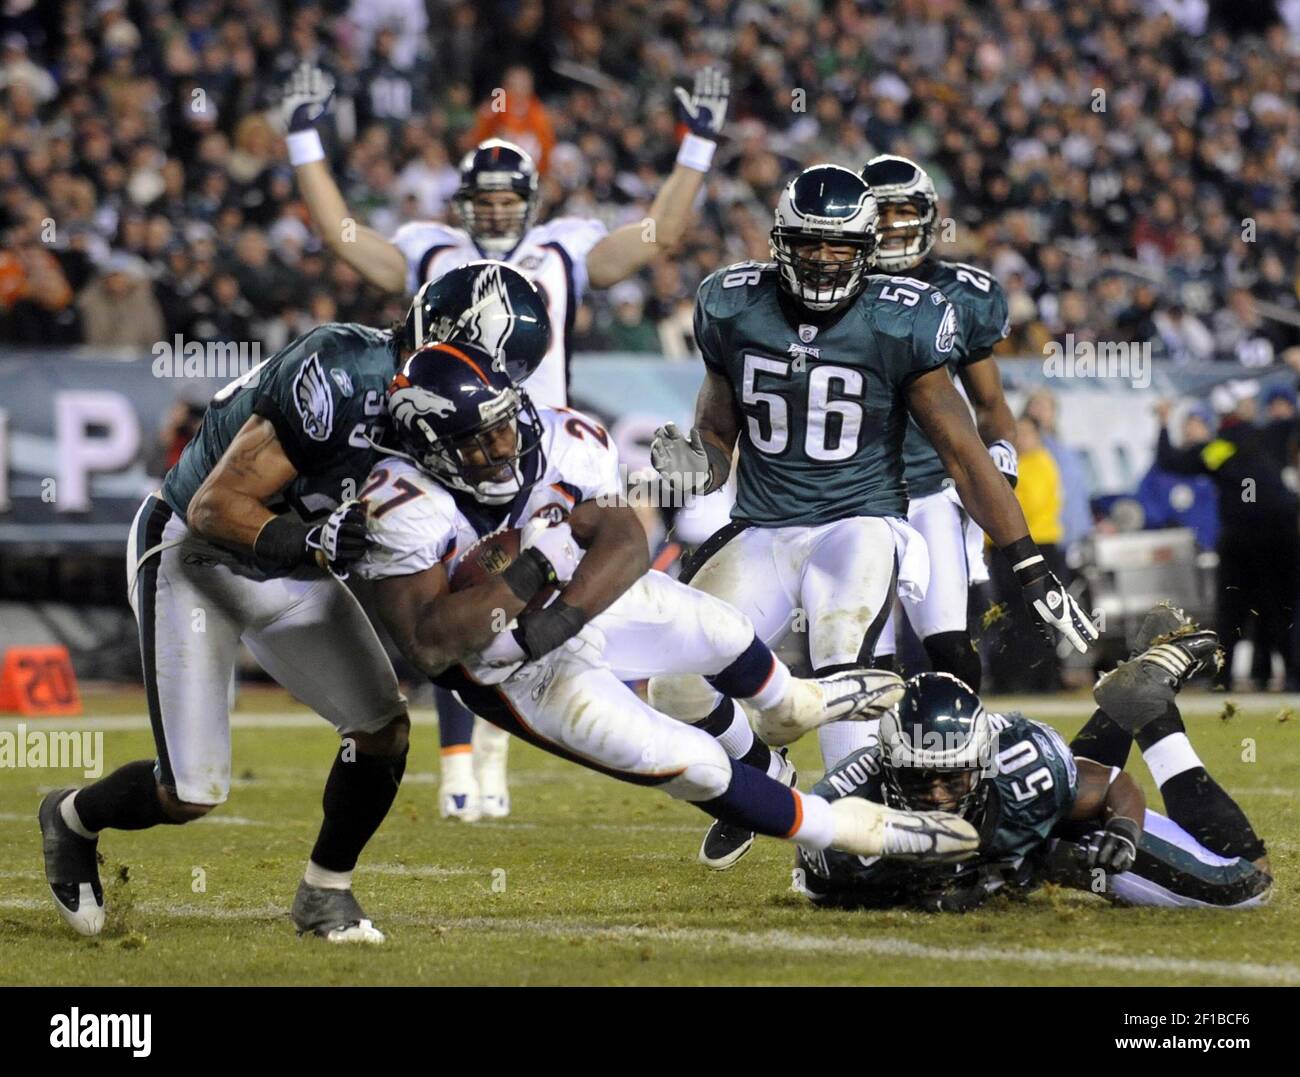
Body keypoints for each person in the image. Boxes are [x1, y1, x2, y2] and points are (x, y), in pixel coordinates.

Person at [36, 272, 546, 945]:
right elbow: (213, 507)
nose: (489, 390)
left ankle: (324, 892)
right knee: (189, 792)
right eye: (486, 365)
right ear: (445, 341)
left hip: (294, 565)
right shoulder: (342, 375)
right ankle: (72, 816)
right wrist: (307, 539)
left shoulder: (446, 421)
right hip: (196, 555)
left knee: (382, 728)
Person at [282, 61, 732, 819]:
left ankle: (495, 757)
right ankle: (460, 768)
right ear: (462, 205)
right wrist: (303, 142)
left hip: (540, 451)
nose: (493, 213)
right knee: (458, 599)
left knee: (541, 597)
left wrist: (699, 147)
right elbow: (340, 235)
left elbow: (663, 234)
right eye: (482, 201)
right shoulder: (429, 251)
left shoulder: (560, 251)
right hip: (453, 455)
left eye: (506, 199)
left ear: (531, 201)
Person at [352, 339, 981, 867]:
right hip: (520, 672)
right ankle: (855, 833)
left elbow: (624, 536)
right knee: (697, 767)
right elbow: (432, 643)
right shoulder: (399, 503)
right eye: (475, 442)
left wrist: (564, 612)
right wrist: (533, 570)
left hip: (580, 602)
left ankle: (795, 701)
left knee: (723, 628)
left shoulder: (559, 436)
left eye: (503, 426)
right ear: (430, 447)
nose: (500, 450)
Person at [648, 165, 1097, 870]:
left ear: (865, 248)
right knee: (673, 684)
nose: (823, 259)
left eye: (838, 246)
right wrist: (692, 466)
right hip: (764, 528)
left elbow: (962, 450)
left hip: (857, 522)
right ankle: (769, 777)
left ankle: (851, 846)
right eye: (808, 243)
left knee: (839, 662)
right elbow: (715, 432)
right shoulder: (731, 306)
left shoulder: (900, 317)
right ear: (778, 243)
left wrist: (1027, 559)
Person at [797, 607, 1271, 911]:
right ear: (890, 769)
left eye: (953, 779)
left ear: (982, 764)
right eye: (921, 780)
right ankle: (1130, 696)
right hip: (1023, 827)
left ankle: (1152, 716)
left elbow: (1110, 785)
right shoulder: (842, 821)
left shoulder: (1023, 766)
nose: (939, 796)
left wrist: (1119, 836)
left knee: (1244, 886)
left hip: (1048, 828)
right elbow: (828, 890)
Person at [858, 154, 1018, 695]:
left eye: (904, 212)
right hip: (850, 495)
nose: (893, 226)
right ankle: (861, 773)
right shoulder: (832, 289)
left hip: (929, 489)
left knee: (951, 651)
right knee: (863, 661)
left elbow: (990, 402)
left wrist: (1000, 454)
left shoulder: (966, 294)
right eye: (882, 214)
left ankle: (959, 767)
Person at [1154, 397, 1299, 690]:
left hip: (1240, 541)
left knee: (1232, 613)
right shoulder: (1273, 434)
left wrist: (1163, 422)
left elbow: (1170, 460)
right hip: (1279, 539)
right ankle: (1291, 676)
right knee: (1281, 612)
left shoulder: (1219, 449)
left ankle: (1224, 677)